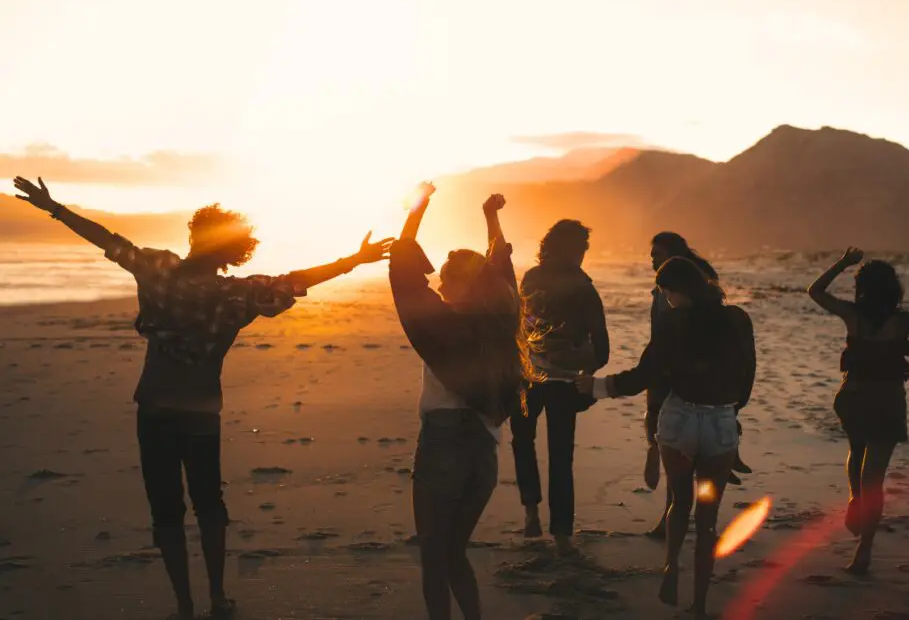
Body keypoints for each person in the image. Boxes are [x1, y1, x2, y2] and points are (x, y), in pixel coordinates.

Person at [12, 176, 393, 620]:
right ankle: (216, 597)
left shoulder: (157, 269)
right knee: (210, 503)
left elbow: (106, 239)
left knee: (166, 509)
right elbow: (296, 280)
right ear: (237, 250)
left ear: (194, 236)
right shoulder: (237, 293)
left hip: (155, 405)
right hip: (201, 411)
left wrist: (54, 208)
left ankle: (184, 605)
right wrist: (354, 261)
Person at [388, 183, 539, 620]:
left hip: (444, 447)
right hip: (484, 455)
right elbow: (502, 271)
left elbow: (403, 271)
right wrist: (490, 217)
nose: (435, 281)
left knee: (434, 558)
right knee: (455, 553)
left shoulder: (445, 327)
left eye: (444, 278)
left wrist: (416, 211)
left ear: (460, 285)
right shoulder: (501, 325)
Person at [575, 257, 756, 618]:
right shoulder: (738, 319)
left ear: (678, 290)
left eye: (665, 292)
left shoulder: (672, 323)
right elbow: (747, 376)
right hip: (718, 428)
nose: (665, 300)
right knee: (707, 518)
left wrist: (596, 387)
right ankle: (700, 603)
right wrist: (730, 413)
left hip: (680, 425)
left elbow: (645, 374)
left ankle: (671, 567)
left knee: (679, 499)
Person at [808, 247, 909, 575]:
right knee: (875, 478)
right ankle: (864, 551)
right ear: (894, 290)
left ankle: (855, 500)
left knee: (857, 453)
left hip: (853, 397)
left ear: (862, 289)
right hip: (886, 403)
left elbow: (815, 291)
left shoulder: (852, 315)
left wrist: (843, 263)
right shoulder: (904, 322)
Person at [511, 219, 610, 555]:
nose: (583, 255)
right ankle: (560, 531)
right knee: (558, 455)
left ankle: (535, 515)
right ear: (567, 247)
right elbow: (603, 349)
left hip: (535, 380)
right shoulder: (581, 286)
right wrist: (585, 366)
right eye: (581, 248)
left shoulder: (535, 279)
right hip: (557, 383)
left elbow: (519, 328)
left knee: (526, 442)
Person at [645, 232, 750, 540]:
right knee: (688, 447)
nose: (651, 259)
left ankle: (673, 521)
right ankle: (697, 516)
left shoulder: (683, 283)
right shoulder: (689, 279)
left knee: (676, 451)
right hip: (695, 378)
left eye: (656, 253)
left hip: (681, 373)